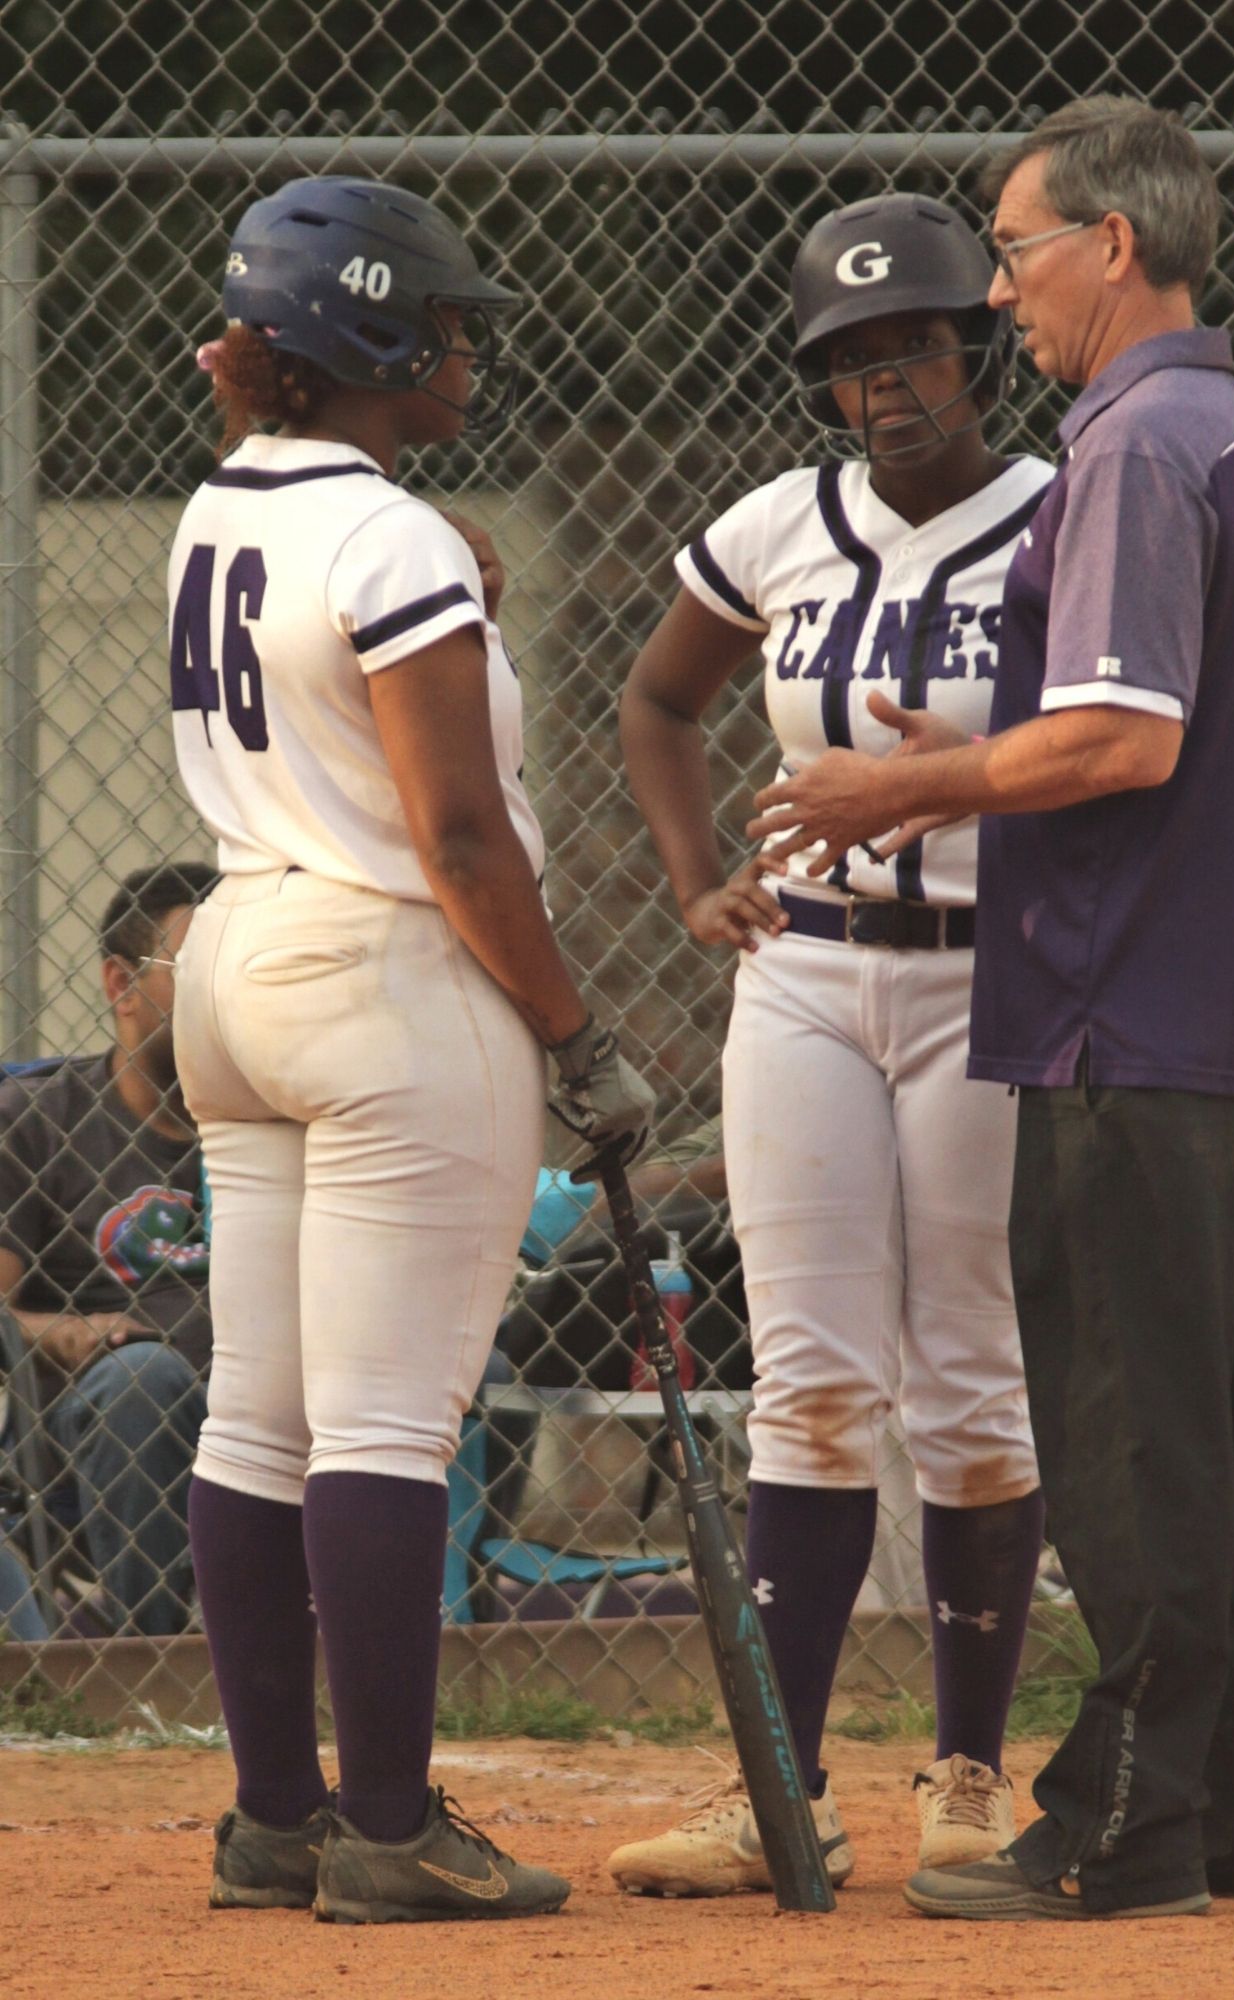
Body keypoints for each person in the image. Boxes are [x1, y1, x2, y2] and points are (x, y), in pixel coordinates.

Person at [750, 98, 1234, 1922]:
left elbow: (1122, 735)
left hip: (1113, 1011)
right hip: (1198, 1011)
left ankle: (1126, 1821)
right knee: (1224, 1419)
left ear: (1115, 245)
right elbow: (1117, 727)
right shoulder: (1230, 431)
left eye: (1014, 250)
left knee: (1131, 1428)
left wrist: (905, 792)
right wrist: (979, 757)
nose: (1001, 293)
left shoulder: (1142, 443)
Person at [172, 177, 652, 1925]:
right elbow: (460, 837)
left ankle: (277, 1817)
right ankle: (387, 1828)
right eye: (437, 324)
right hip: (381, 969)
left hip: (235, 957)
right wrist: (574, 1032)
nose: (463, 347)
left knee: (259, 1415)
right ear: (364, 340)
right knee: (382, 1422)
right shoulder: (395, 540)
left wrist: (457, 575)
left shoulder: (237, 500)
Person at [611, 193, 1051, 1898]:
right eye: (853, 360)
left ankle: (967, 1775)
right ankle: (779, 1794)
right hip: (801, 974)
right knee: (805, 1382)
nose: (889, 383)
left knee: (972, 1384)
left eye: (916, 344)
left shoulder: (1062, 518)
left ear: (977, 347)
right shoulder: (782, 525)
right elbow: (661, 702)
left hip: (983, 977)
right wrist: (693, 878)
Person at [0, 863, 215, 1635]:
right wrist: (62, 1331)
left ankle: (446, 1650)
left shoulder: (284, 1120)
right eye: (201, 968)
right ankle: (153, 1670)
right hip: (99, 1425)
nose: (227, 993)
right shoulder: (38, 1121)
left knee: (469, 1370)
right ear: (121, 984)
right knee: (144, 1380)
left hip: (270, 1402)